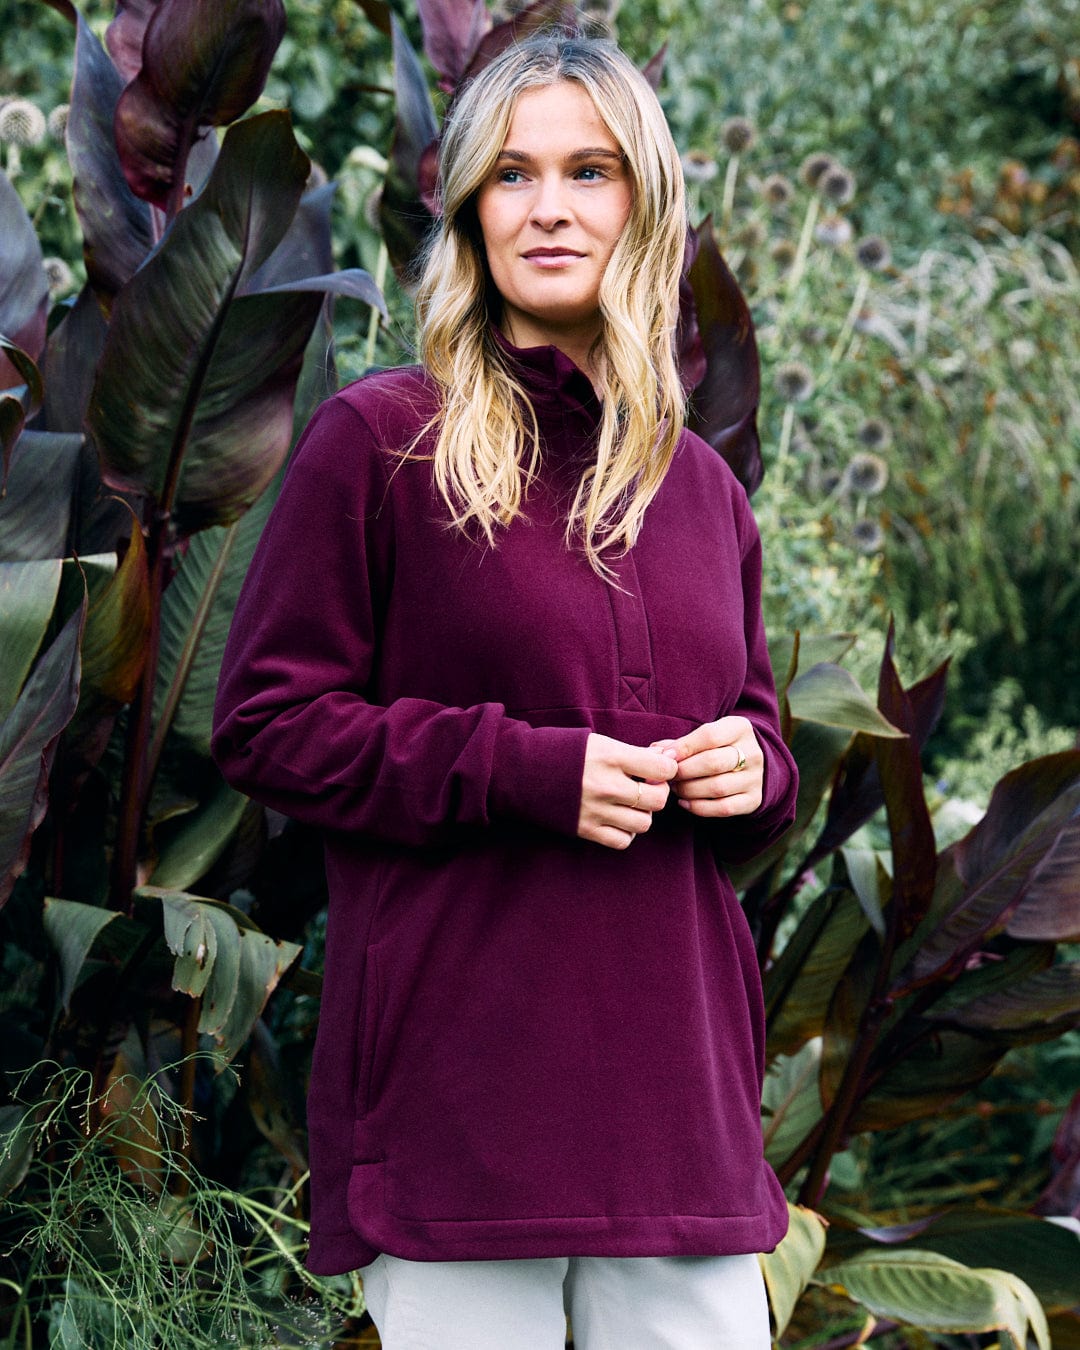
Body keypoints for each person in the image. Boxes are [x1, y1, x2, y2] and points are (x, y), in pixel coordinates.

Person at [212, 29, 798, 1350]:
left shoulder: (698, 487)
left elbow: (759, 733)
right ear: (470, 205)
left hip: (681, 1127)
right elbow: (264, 724)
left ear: (641, 204)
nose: (549, 207)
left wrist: (753, 769)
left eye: (589, 171)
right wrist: (522, 768)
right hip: (460, 1112)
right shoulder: (377, 440)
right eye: (513, 173)